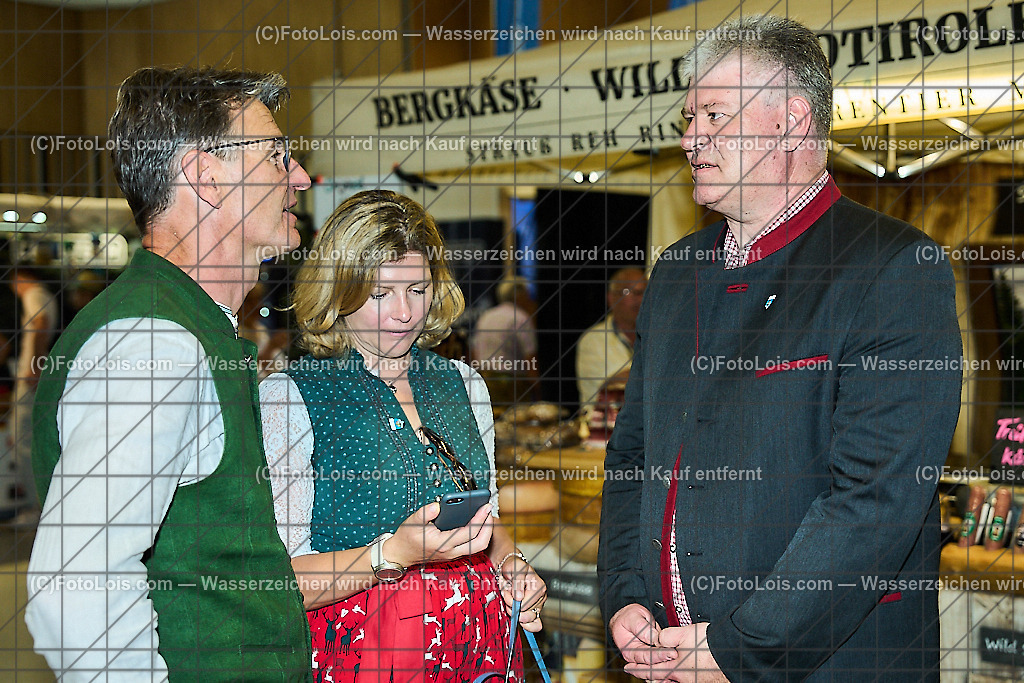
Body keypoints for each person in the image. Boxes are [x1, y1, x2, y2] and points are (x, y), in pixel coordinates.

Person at [598, 15, 962, 682]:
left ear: (791, 122)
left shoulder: (891, 268)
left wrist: (737, 650)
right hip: (668, 656)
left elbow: (873, 503)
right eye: (689, 118)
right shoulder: (675, 274)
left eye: (713, 115)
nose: (689, 139)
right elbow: (632, 457)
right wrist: (625, 594)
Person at [26, 66, 315, 679]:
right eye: (275, 155)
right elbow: (75, 587)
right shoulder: (154, 341)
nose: (298, 177)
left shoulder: (188, 327)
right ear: (206, 176)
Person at [259, 189, 547, 682]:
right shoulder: (292, 397)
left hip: (480, 652)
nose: (405, 313)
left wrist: (512, 564)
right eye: (380, 294)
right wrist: (390, 554)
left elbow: (486, 520)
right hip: (367, 655)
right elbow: (280, 582)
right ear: (339, 292)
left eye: (417, 289)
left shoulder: (463, 384)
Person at [6, 267, 58, 526]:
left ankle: (34, 507)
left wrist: (34, 365)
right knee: (29, 438)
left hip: (30, 375)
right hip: (37, 371)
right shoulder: (46, 294)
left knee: (22, 438)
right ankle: (40, 506)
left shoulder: (34, 294)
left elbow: (40, 323)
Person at [575, 267, 646, 411]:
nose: (639, 299)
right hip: (604, 423)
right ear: (611, 298)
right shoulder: (593, 340)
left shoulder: (656, 336)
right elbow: (619, 387)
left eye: (644, 292)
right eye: (629, 291)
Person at [470, 278, 539, 405]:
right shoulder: (520, 317)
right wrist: (537, 390)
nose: (530, 299)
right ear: (519, 295)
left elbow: (474, 351)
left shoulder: (486, 316)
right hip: (512, 387)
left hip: (484, 382)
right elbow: (530, 358)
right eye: (527, 295)